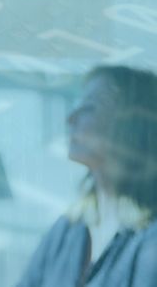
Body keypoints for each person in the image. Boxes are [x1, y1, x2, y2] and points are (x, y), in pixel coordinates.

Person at [17, 65, 157, 286]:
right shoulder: (67, 230)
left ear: (131, 125)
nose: (71, 118)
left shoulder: (150, 243)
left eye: (90, 107)